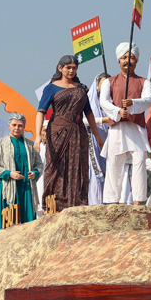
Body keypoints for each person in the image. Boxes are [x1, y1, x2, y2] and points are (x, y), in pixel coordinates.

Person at [35, 55, 104, 211]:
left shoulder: (81, 89)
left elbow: (89, 113)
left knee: (78, 168)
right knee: (55, 168)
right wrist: (38, 136)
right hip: (57, 132)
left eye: (74, 68)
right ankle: (53, 205)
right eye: (68, 67)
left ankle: (77, 204)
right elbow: (41, 112)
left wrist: (97, 136)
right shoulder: (51, 88)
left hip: (78, 133)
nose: (71, 70)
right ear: (60, 68)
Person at [100, 43, 151, 204]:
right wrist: (118, 111)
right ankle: (112, 201)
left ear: (136, 60)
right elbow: (103, 102)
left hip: (136, 128)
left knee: (139, 162)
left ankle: (138, 200)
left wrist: (132, 104)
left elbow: (149, 99)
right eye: (124, 57)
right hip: (117, 127)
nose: (127, 61)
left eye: (131, 57)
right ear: (118, 60)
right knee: (114, 163)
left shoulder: (144, 82)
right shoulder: (108, 82)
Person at [0, 114, 43, 235]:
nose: (17, 128)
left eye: (20, 125)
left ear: (24, 127)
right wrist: (9, 173)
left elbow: (39, 164)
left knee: (26, 219)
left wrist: (35, 173)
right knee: (7, 218)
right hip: (7, 188)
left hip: (26, 187)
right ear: (9, 126)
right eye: (14, 125)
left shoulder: (30, 145)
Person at [86, 73, 110, 205]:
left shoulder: (111, 102)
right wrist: (103, 120)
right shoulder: (88, 101)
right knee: (96, 176)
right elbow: (83, 120)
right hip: (93, 144)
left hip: (109, 144)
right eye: (103, 83)